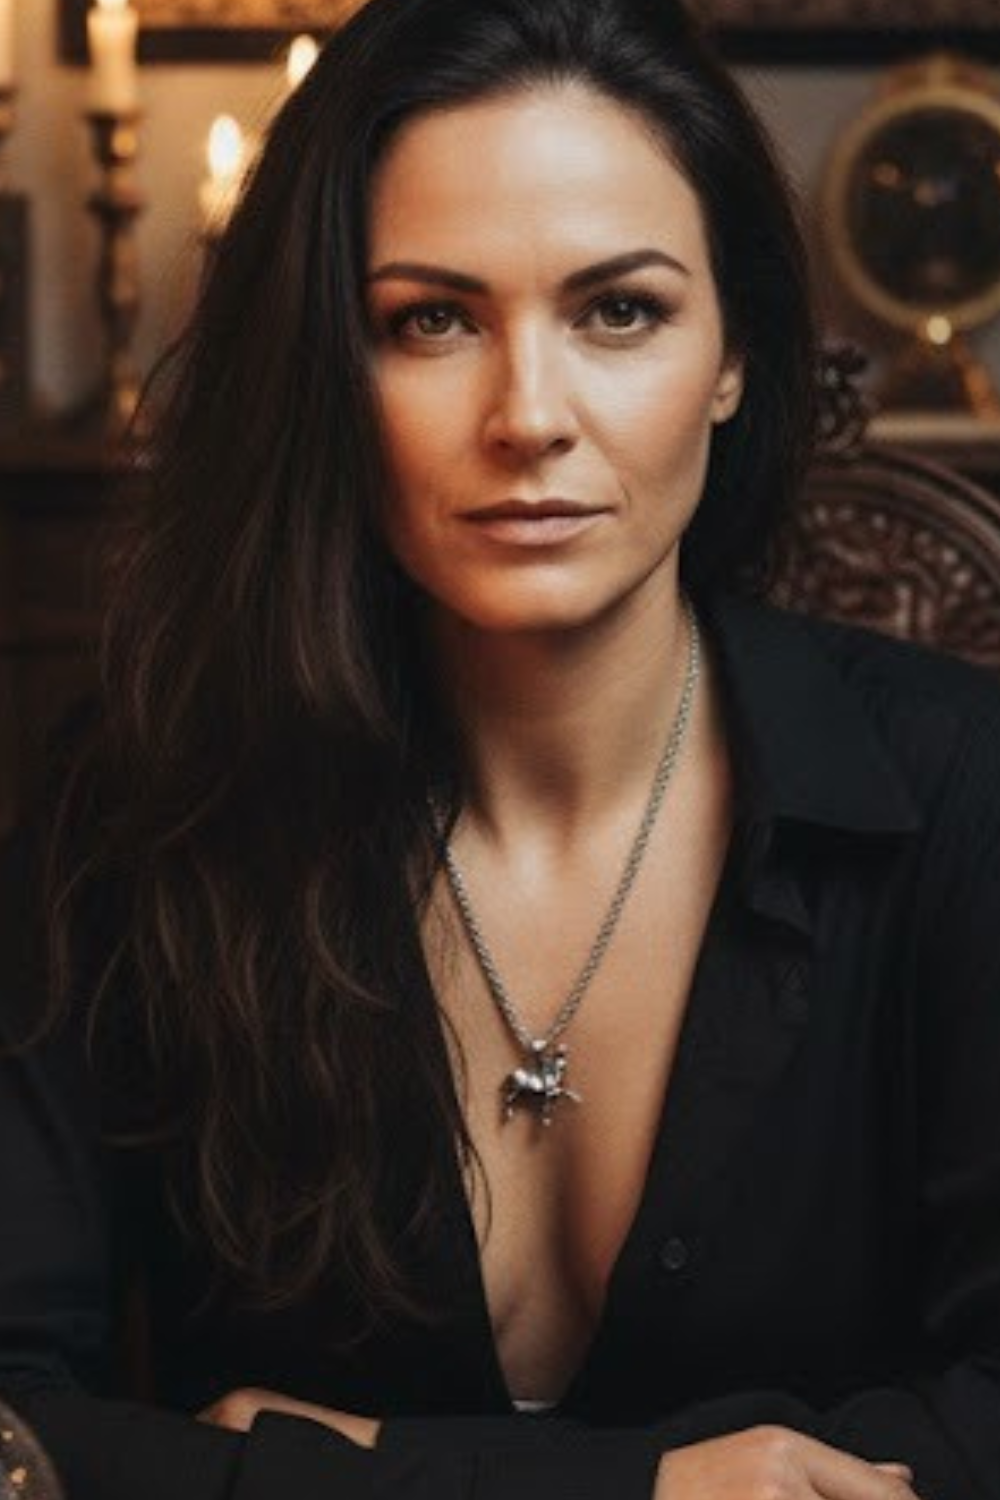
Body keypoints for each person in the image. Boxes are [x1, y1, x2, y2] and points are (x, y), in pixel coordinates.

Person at [1, 0, 998, 1496]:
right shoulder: (143, 802)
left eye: (620, 311)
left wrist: (354, 1469)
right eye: (431, 320)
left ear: (733, 354)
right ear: (329, 372)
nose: (529, 415)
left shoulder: (963, 793)